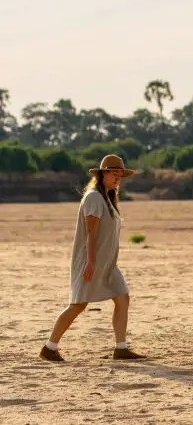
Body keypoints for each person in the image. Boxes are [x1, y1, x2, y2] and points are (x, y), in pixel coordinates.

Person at [39, 154, 146, 362]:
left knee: (122, 298)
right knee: (78, 305)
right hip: (92, 262)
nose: (117, 179)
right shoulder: (94, 197)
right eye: (114, 174)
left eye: (120, 176)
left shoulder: (108, 197)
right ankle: (49, 348)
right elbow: (91, 233)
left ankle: (121, 348)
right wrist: (90, 262)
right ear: (102, 174)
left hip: (108, 264)